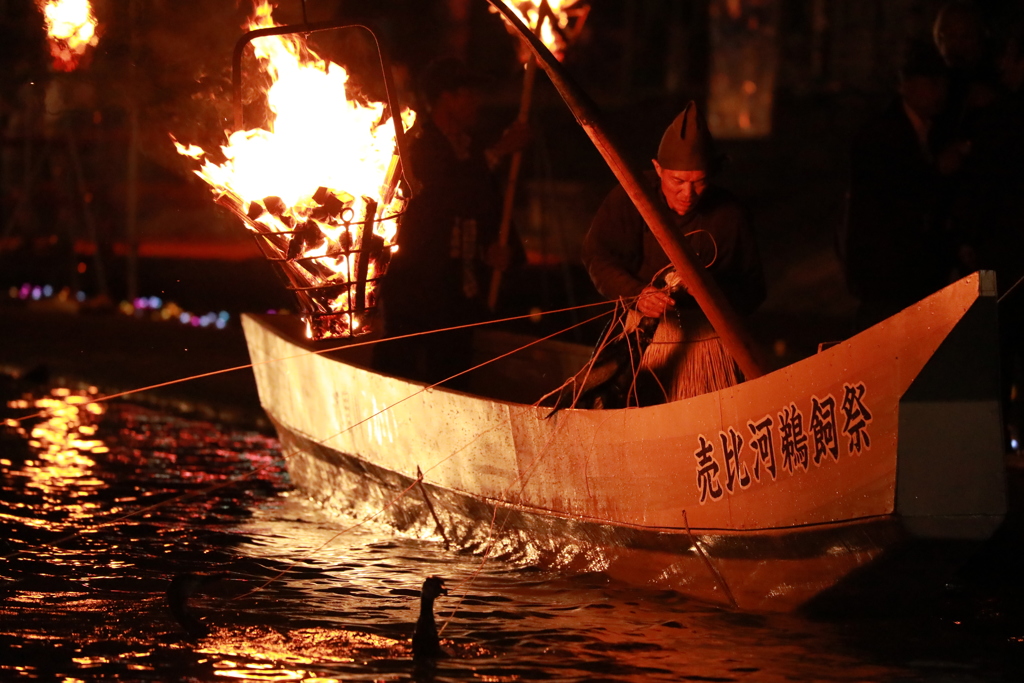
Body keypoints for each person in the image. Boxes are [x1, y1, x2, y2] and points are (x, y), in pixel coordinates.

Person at [579, 101, 765, 405]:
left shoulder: (729, 214)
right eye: (677, 181)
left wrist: (711, 291)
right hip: (644, 340)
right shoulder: (632, 198)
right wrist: (636, 294)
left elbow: (754, 290)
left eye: (699, 182)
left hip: (707, 346)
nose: (688, 194)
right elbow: (598, 258)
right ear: (657, 168)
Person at [376, 57, 527, 386]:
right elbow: (445, 196)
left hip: (458, 294)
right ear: (445, 97)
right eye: (467, 93)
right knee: (399, 370)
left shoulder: (472, 150)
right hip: (415, 288)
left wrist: (504, 251)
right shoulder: (417, 147)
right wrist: (498, 152)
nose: (476, 102)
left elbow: (488, 209)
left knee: (452, 374)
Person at [841, 40, 957, 331]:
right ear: (905, 84)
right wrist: (937, 171)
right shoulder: (880, 137)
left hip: (922, 274)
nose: (939, 92)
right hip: (887, 273)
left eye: (943, 83)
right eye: (931, 82)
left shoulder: (938, 131)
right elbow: (891, 198)